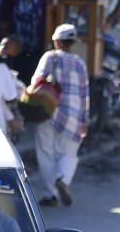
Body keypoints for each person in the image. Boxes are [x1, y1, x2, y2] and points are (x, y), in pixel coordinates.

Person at [33, 25, 90, 208]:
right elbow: (84, 94)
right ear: (72, 43)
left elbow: (37, 82)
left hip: (48, 111)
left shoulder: (49, 57)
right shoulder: (80, 63)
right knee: (69, 153)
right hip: (72, 115)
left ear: (56, 41)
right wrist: (85, 121)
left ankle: (50, 195)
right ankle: (63, 179)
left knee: (46, 153)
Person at [0, 0, 51, 83]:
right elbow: (2, 22)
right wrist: (6, 45)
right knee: (13, 82)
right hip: (15, 52)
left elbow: (47, 22)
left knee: (33, 83)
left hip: (35, 50)